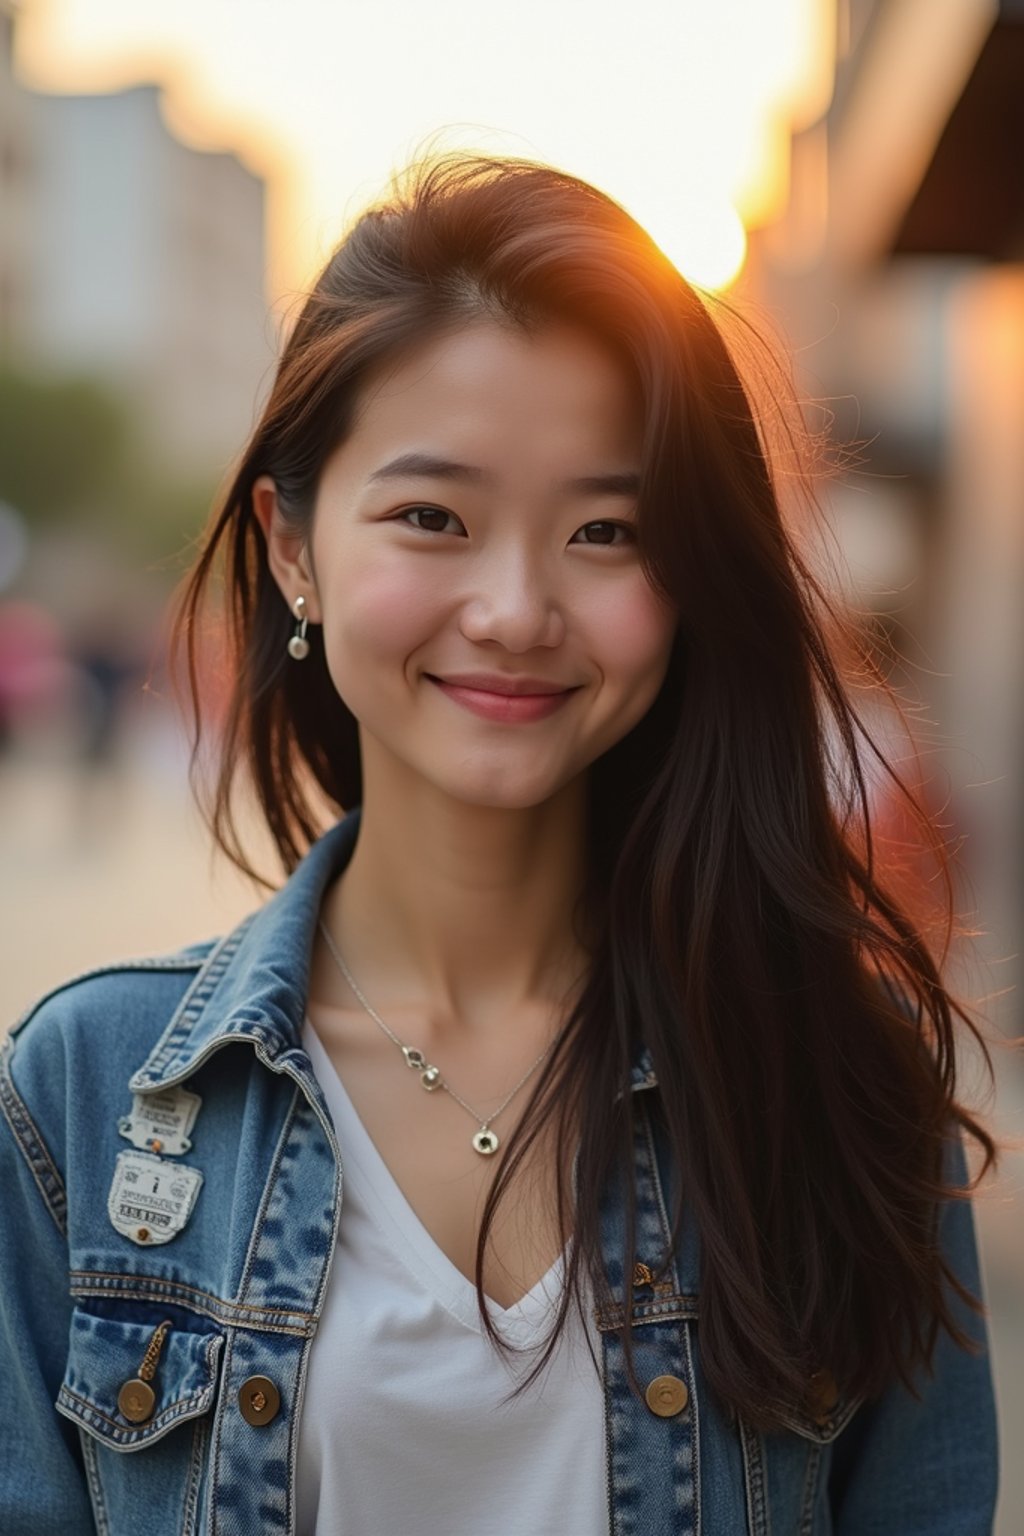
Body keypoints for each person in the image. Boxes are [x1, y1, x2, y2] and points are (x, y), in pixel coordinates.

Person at [0, 151, 1001, 1535]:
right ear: (294, 547)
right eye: (433, 517)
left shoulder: (844, 1081)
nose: (519, 607)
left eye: (607, 529)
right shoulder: (83, 1101)